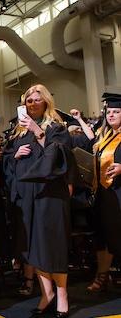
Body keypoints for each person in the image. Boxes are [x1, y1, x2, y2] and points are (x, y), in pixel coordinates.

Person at [3, 84, 77, 318]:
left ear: (46, 102)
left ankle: (62, 294)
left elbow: (62, 158)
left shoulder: (56, 129)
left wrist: (38, 132)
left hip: (50, 194)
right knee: (34, 246)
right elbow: (7, 161)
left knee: (51, 245)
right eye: (28, 100)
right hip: (26, 194)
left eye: (36, 100)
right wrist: (14, 155)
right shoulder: (18, 132)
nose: (31, 103)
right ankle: (47, 295)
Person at [86, 93, 121, 292]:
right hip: (103, 193)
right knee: (102, 235)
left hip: (119, 193)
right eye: (109, 112)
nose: (111, 115)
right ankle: (102, 275)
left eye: (116, 111)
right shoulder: (105, 136)